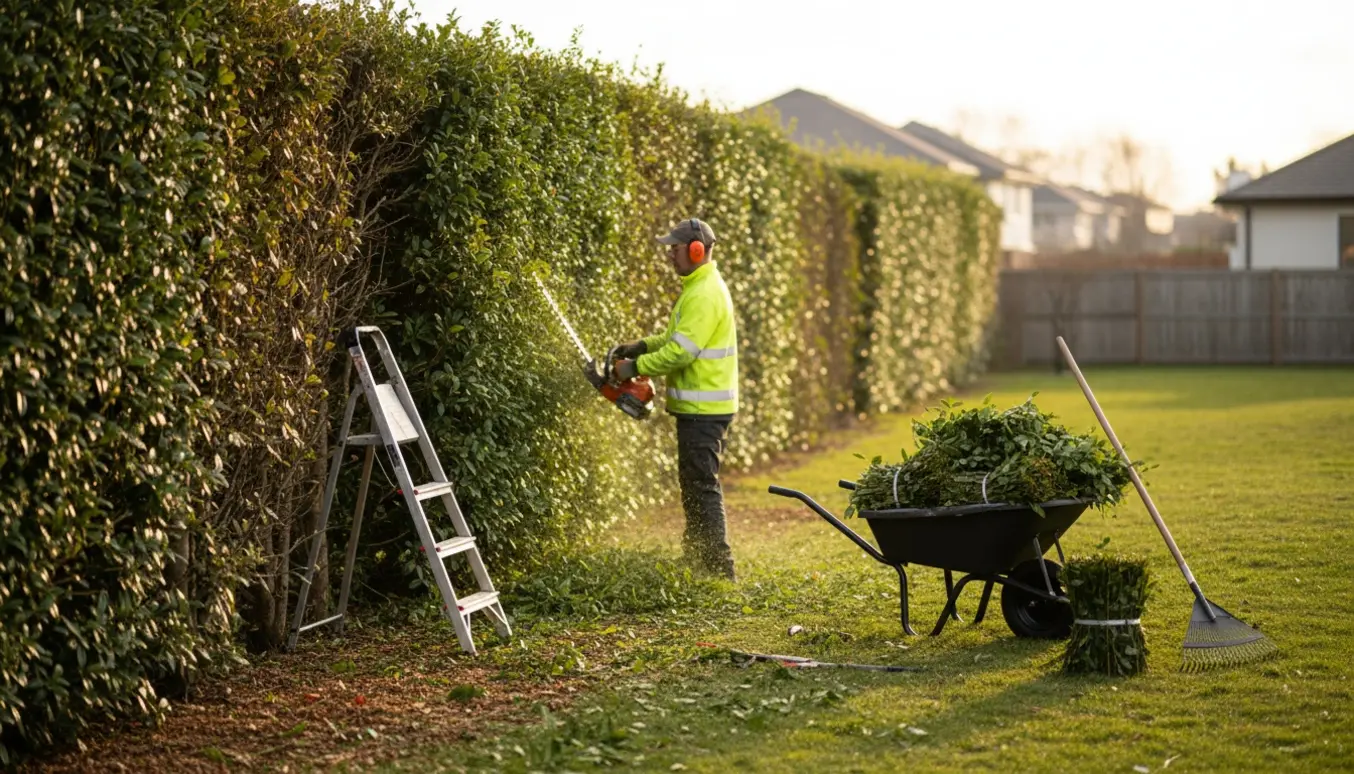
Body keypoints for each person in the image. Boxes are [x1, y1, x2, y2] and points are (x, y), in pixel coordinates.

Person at [611, 217, 739, 580]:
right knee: (695, 486)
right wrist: (643, 345)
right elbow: (674, 339)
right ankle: (699, 560)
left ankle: (718, 568)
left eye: (675, 247)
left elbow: (682, 354)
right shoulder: (697, 287)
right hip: (698, 409)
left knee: (703, 486)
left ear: (696, 250)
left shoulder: (704, 293)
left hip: (705, 409)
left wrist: (631, 368)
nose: (670, 254)